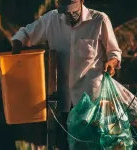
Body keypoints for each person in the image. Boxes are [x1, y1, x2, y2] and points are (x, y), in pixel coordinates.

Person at [11, 0, 122, 149]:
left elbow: (114, 52)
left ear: (82, 1)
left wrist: (111, 63)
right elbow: (26, 33)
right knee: (64, 143)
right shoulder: (51, 19)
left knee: (90, 143)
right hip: (62, 99)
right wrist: (17, 43)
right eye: (65, 10)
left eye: (72, 9)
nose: (69, 14)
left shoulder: (99, 20)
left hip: (89, 100)